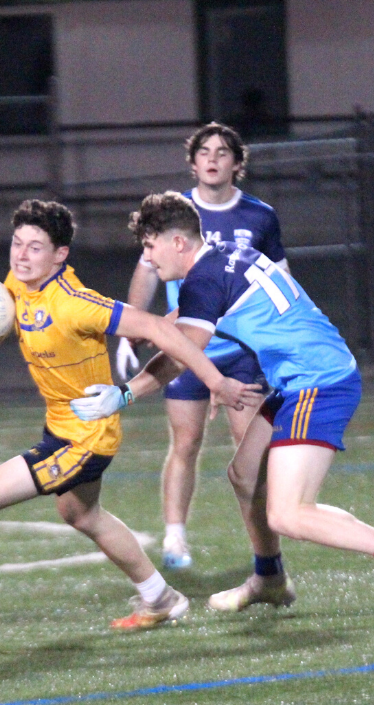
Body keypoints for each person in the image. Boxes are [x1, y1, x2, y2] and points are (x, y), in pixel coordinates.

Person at [74, 192, 374, 621]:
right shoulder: (227, 254)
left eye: (150, 246)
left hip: (317, 383)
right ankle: (269, 579)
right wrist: (147, 342)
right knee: (244, 475)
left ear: (178, 243)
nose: (147, 258)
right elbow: (179, 328)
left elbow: (179, 355)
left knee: (287, 513)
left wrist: (125, 394)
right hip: (300, 378)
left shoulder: (204, 280)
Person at [0, 199, 260, 632]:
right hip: (63, 427)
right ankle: (161, 597)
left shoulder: (77, 303)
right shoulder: (14, 286)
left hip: (84, 439)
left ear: (60, 255)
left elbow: (157, 328)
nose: (21, 255)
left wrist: (214, 381)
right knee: (81, 515)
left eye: (35, 248)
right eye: (17, 244)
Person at [115, 122, 286, 570]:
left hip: (240, 350)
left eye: (222, 151)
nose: (212, 158)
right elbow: (148, 269)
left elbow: (280, 281)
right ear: (192, 162)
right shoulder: (176, 212)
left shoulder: (259, 216)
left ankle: (265, 548)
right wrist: (136, 327)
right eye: (204, 151)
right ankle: (175, 539)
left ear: (237, 162)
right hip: (184, 346)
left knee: (248, 452)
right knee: (186, 441)